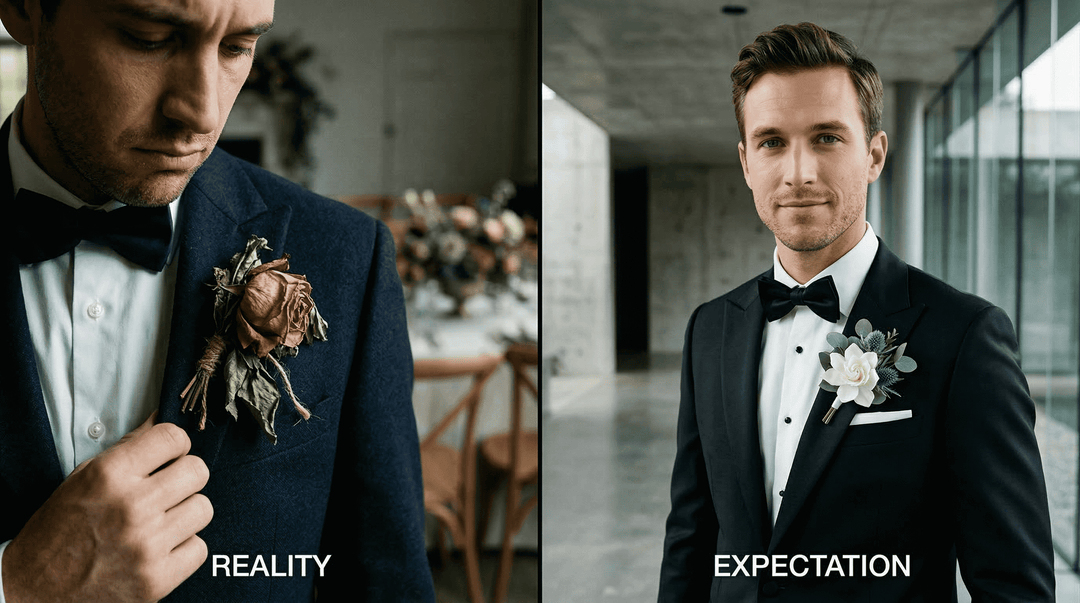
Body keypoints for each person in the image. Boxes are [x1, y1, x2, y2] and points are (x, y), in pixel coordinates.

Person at [0, 0, 435, 601]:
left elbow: (381, 580)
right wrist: (15, 586)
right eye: (149, 38)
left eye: (237, 46)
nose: (202, 112)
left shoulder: (346, 255)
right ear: (24, 9)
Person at [658, 22, 1055, 602]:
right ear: (746, 163)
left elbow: (1013, 583)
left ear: (874, 153)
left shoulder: (964, 336)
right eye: (772, 142)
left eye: (826, 138)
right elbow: (691, 538)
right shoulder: (710, 329)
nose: (800, 173)